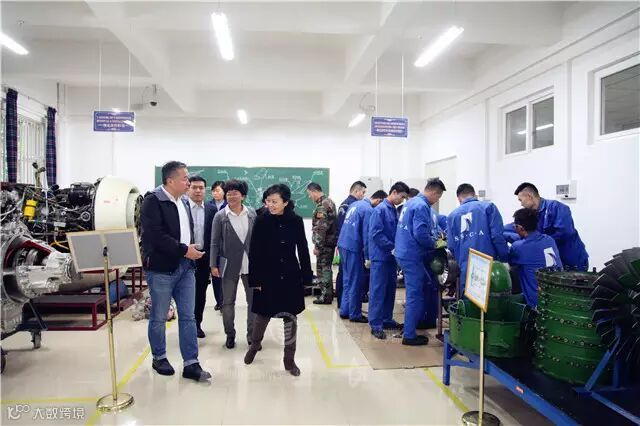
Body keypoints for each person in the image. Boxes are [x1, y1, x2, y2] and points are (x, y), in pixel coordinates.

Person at [140, 161, 211, 382]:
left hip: (185, 267)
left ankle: (191, 363)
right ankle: (159, 357)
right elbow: (155, 236)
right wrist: (184, 250)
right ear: (170, 180)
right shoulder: (153, 201)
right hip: (162, 269)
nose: (188, 182)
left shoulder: (183, 201)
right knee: (159, 317)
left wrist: (189, 249)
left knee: (188, 317)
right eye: (184, 178)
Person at [244, 184, 313, 376]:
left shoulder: (296, 221)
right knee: (262, 316)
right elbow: (254, 251)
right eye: (268, 201)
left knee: (290, 319)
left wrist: (307, 277)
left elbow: (303, 249)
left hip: (290, 275)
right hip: (267, 275)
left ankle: (289, 359)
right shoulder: (261, 220)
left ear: (286, 202)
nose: (270, 205)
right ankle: (254, 345)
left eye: (274, 201)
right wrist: (255, 280)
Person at [394, 178, 446, 346]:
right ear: (434, 193)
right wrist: (437, 244)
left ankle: (416, 324)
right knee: (414, 294)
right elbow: (420, 234)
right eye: (438, 197)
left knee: (418, 290)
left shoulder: (411, 202)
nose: (436, 201)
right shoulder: (422, 206)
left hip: (403, 251)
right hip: (412, 255)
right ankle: (409, 335)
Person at [210, 179, 257, 349]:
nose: (231, 196)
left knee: (253, 302)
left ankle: (252, 336)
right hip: (228, 265)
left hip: (251, 264)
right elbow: (214, 242)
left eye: (235, 193)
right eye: (228, 193)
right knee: (228, 302)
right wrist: (213, 265)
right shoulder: (220, 216)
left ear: (243, 196)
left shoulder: (252, 214)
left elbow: (258, 240)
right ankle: (230, 335)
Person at [510, 182, 588, 270]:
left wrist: (538, 242)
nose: (521, 204)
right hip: (554, 260)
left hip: (572, 260)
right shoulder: (531, 214)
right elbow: (517, 226)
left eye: (521, 200)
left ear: (529, 196)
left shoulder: (556, 207)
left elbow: (566, 233)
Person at [447, 183, 509, 294]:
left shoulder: (452, 216)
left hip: (465, 268)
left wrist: (462, 261)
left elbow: (451, 245)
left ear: (459, 198)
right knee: (490, 299)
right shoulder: (488, 207)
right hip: (489, 267)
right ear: (474, 194)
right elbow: (497, 237)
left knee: (468, 300)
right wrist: (504, 259)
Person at [368, 182, 409, 339]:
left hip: (391, 257)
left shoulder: (393, 210)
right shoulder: (380, 210)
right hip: (380, 257)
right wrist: (392, 247)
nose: (402, 200)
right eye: (402, 197)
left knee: (390, 290)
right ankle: (375, 324)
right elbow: (376, 234)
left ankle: (386, 319)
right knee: (378, 291)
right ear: (394, 192)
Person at [338, 190, 386, 322]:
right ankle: (355, 314)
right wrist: (368, 257)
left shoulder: (355, 204)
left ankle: (345, 310)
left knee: (347, 280)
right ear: (379, 200)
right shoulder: (369, 210)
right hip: (353, 247)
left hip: (343, 244)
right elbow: (367, 236)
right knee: (356, 281)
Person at [509, 208, 563, 308]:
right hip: (557, 297)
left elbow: (511, 261)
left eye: (515, 226)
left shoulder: (518, 247)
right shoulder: (549, 240)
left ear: (520, 228)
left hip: (537, 303)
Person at [187, 175, 217, 338]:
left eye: (201, 188)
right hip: (184, 257)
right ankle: (186, 326)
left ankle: (197, 324)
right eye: (194, 187)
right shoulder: (182, 207)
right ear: (188, 188)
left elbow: (214, 236)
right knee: (185, 294)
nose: (198, 191)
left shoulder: (211, 209)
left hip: (203, 258)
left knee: (200, 293)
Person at [335, 181, 367, 308]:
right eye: (363, 192)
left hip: (344, 243)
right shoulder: (352, 205)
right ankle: (345, 304)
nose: (363, 195)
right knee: (348, 276)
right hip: (350, 244)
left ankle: (343, 303)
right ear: (356, 191)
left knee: (344, 274)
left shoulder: (346, 203)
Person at [306, 182, 338, 304]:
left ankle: (325, 296)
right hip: (330, 242)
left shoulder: (322, 206)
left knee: (323, 269)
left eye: (309, 194)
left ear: (314, 191)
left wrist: (317, 246)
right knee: (327, 268)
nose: (309, 197)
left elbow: (321, 228)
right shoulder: (330, 202)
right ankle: (328, 295)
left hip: (324, 244)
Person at [205, 180, 227, 310]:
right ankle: (219, 301)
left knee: (225, 276)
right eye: (213, 191)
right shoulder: (208, 205)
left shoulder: (229, 205)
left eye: (217, 190)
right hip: (211, 245)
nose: (215, 193)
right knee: (215, 275)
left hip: (225, 246)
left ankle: (224, 301)